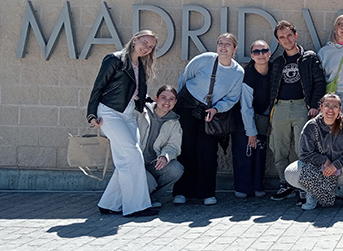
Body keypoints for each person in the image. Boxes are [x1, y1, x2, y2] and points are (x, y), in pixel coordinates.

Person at [87, 30, 159, 217]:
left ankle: (109, 204)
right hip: (109, 112)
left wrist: (151, 102)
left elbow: (135, 93)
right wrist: (91, 114)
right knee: (133, 156)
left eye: (151, 47)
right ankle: (136, 206)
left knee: (126, 161)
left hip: (127, 114)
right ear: (134, 40)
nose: (147, 48)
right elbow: (98, 87)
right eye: (145, 43)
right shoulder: (114, 59)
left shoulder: (140, 65)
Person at [173, 33, 244, 206]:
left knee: (208, 151)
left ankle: (206, 192)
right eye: (220, 43)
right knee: (186, 147)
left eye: (227, 44)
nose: (223, 47)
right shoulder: (204, 59)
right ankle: (182, 191)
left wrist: (216, 109)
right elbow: (185, 77)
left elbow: (232, 98)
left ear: (235, 49)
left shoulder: (237, 72)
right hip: (187, 105)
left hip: (210, 111)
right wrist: (178, 104)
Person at [267, 20, 325, 202]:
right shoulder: (277, 62)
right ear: (278, 40)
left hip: (302, 107)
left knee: (304, 149)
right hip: (281, 107)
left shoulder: (309, 58)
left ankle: (304, 187)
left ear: (296, 35)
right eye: (282, 37)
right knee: (279, 148)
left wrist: (315, 105)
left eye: (289, 35)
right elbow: (272, 87)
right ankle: (285, 183)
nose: (286, 39)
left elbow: (319, 82)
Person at [284, 93, 343, 210]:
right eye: (327, 105)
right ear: (321, 107)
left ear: (340, 109)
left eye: (335, 106)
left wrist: (336, 165)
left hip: (342, 171)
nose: (330, 110)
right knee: (290, 173)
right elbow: (304, 154)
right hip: (318, 172)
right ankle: (313, 192)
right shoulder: (311, 126)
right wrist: (324, 161)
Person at [233, 40, 271, 199]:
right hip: (244, 118)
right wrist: (251, 132)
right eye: (256, 52)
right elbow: (246, 106)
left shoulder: (274, 71)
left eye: (264, 51)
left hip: (263, 117)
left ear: (269, 53)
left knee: (260, 152)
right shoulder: (247, 74)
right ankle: (243, 187)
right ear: (251, 55)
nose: (261, 54)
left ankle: (257, 185)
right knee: (246, 150)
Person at [138, 85, 184, 208]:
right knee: (150, 184)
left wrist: (165, 156)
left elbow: (173, 146)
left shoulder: (174, 122)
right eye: (163, 97)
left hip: (154, 163)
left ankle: (155, 198)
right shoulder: (141, 113)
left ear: (175, 102)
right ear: (156, 98)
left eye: (171, 99)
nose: (167, 102)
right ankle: (139, 199)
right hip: (136, 161)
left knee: (176, 169)